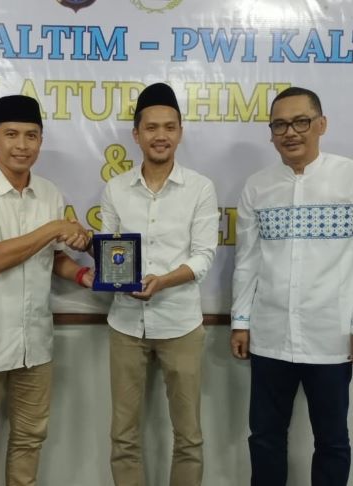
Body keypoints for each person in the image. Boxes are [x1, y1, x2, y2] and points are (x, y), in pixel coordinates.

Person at [230, 86, 353, 486]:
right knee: (265, 437)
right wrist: (241, 322)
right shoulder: (257, 186)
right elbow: (247, 260)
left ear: (321, 124)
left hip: (331, 336)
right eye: (280, 125)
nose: (290, 132)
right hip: (270, 336)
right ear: (271, 134)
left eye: (301, 122)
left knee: (332, 441)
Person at [0, 94, 93, 486]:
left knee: (30, 441)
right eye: (11, 134)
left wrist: (84, 276)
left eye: (31, 135)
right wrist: (54, 227)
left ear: (41, 141)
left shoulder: (49, 192)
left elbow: (55, 258)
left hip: (36, 341)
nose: (22, 145)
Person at [100, 82, 219, 486]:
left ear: (180, 132)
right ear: (136, 134)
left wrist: (164, 280)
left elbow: (204, 255)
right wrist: (112, 275)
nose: (161, 135)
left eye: (169, 127)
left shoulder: (200, 188)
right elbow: (110, 251)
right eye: (151, 127)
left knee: (189, 436)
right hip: (125, 325)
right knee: (123, 436)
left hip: (180, 324)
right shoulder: (116, 188)